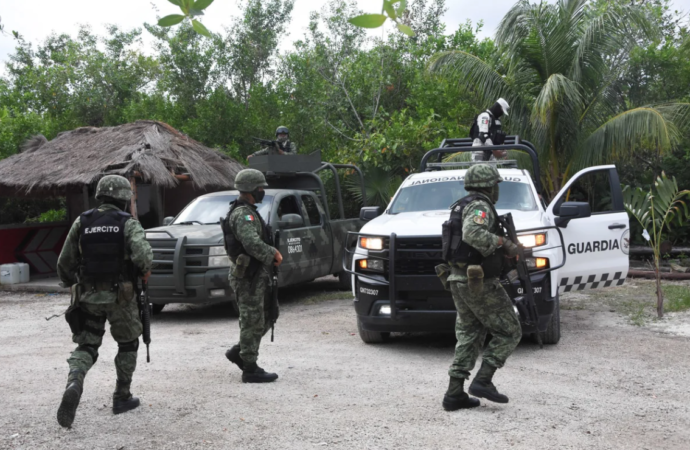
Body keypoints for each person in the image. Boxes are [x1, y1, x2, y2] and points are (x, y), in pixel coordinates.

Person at [56, 175, 153, 428]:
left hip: (88, 296)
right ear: (123, 199)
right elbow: (144, 256)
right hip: (121, 296)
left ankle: (75, 381)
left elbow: (64, 263)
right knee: (128, 344)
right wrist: (144, 270)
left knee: (87, 345)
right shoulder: (128, 223)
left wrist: (71, 284)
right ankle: (122, 397)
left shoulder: (82, 221)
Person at [438, 164, 521, 411]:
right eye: (496, 184)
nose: (497, 189)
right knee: (510, 331)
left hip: (459, 279)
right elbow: (472, 233)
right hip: (478, 282)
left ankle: (454, 395)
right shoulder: (480, 206)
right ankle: (483, 381)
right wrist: (503, 242)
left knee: (469, 334)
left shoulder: (461, 204)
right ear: (488, 185)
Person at [222, 168, 283, 382]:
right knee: (251, 320)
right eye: (259, 188)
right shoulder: (242, 214)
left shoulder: (249, 210)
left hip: (256, 275)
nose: (262, 191)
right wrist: (272, 254)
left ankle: (240, 351)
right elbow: (251, 243)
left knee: (268, 315)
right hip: (248, 276)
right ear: (249, 189)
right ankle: (249, 367)